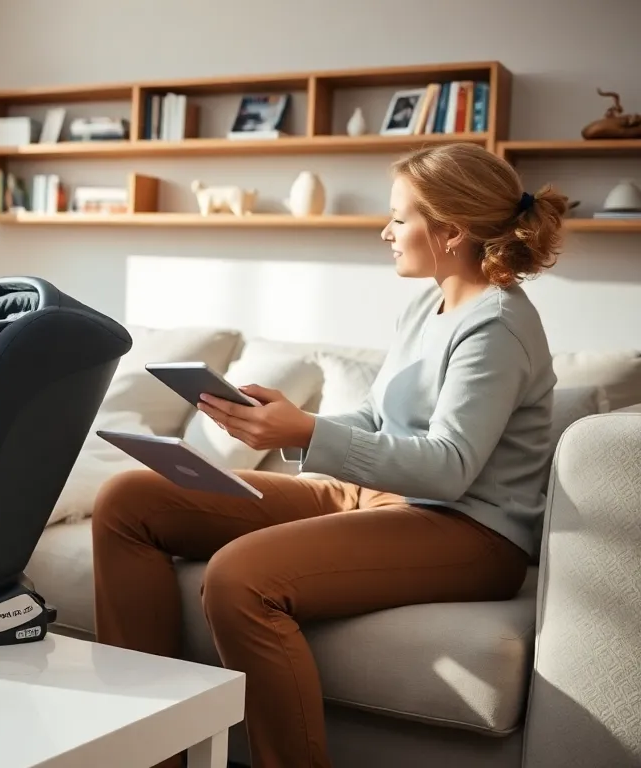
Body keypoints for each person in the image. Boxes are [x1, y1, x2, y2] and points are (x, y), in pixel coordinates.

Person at [90, 143, 567, 768]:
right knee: (130, 500)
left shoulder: (498, 326)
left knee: (239, 578)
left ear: (450, 231)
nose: (385, 231)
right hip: (372, 498)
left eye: (399, 218)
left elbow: (449, 467)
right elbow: (376, 419)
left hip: (469, 530)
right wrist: (281, 425)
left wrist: (309, 431)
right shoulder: (428, 302)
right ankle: (151, 756)